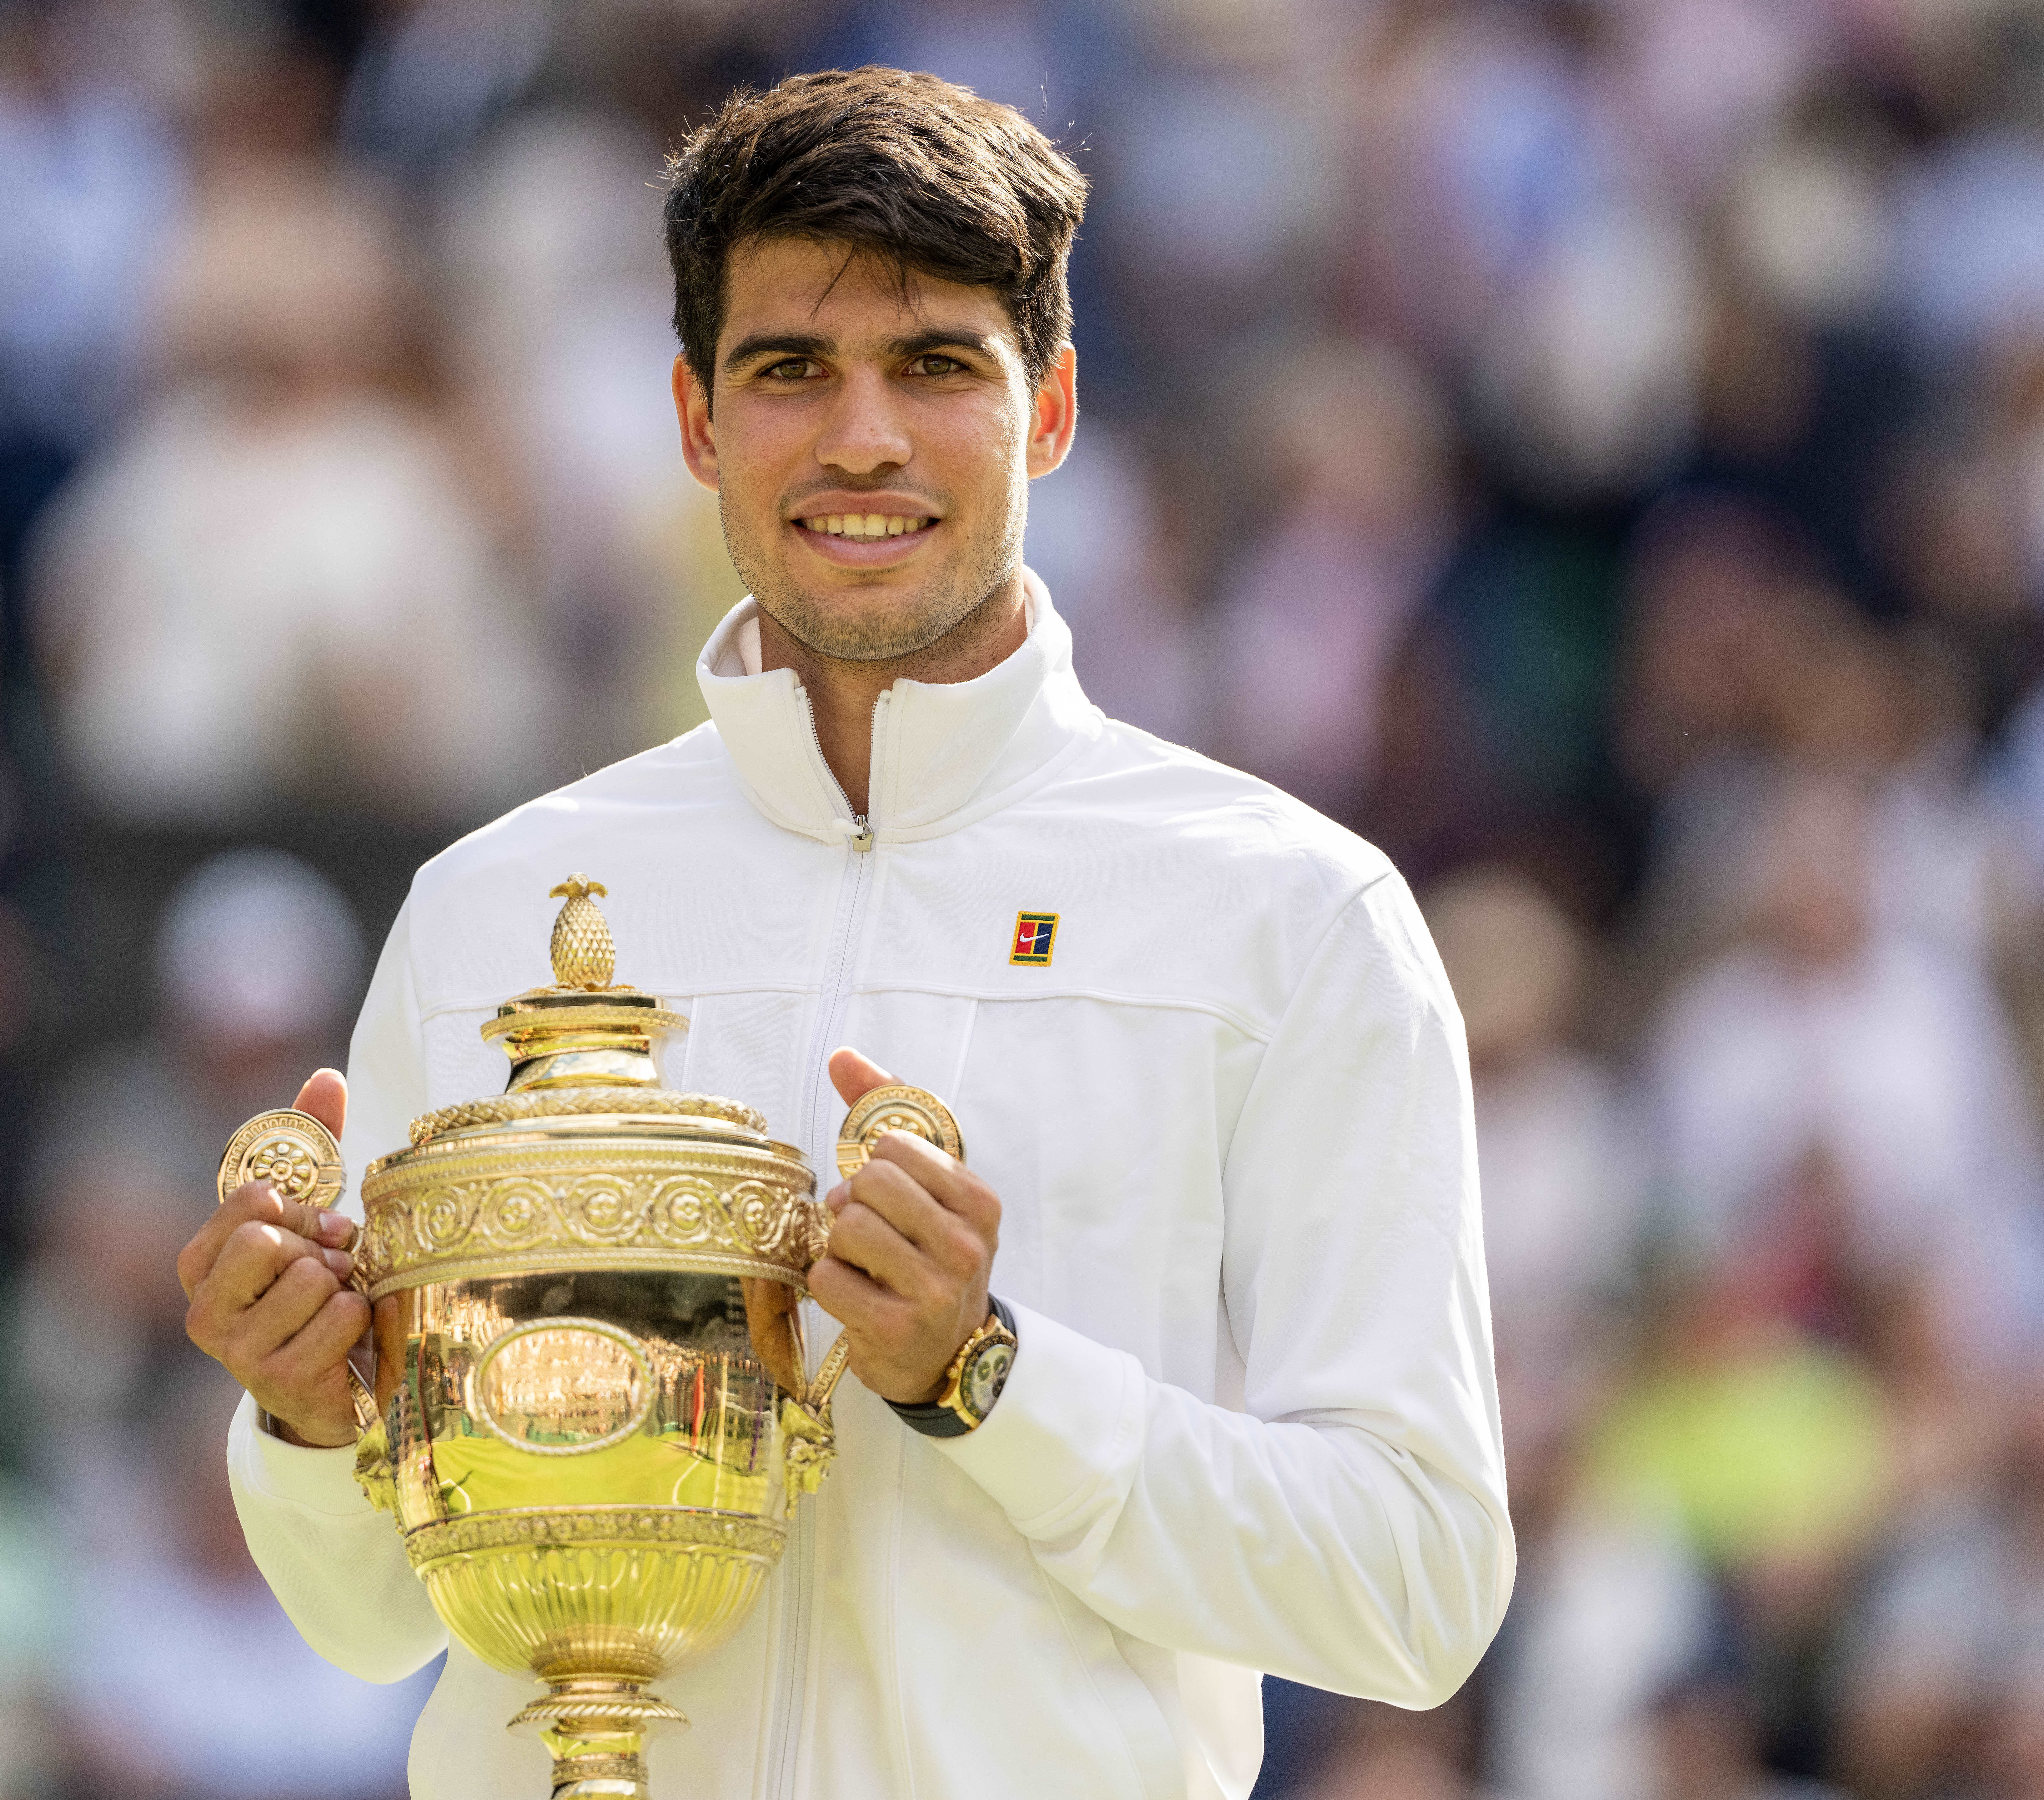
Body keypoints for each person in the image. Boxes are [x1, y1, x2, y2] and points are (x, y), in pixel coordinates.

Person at [178, 67, 1511, 1799]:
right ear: (693, 421)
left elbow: (1415, 1593)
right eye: (790, 368)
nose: (862, 438)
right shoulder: (493, 906)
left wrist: (987, 1376)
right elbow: (366, 1618)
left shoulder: (1291, 916)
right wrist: (303, 1415)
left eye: (938, 364)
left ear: (1051, 412)